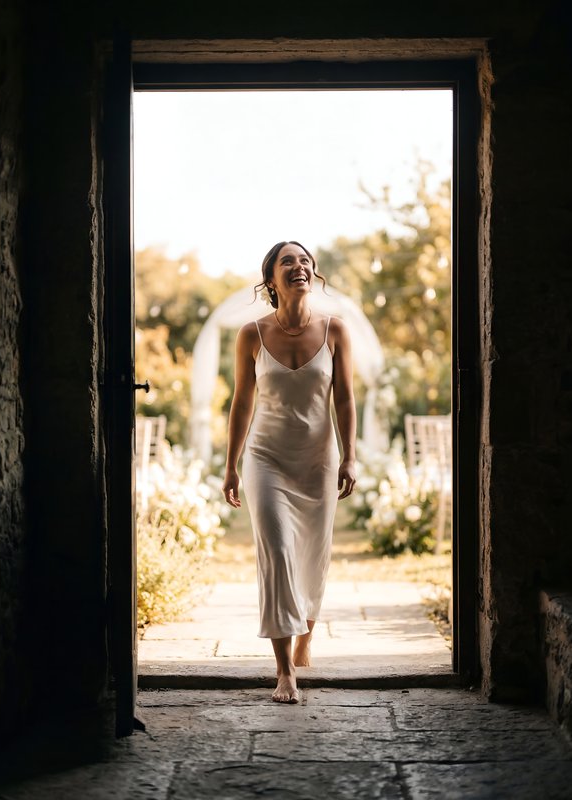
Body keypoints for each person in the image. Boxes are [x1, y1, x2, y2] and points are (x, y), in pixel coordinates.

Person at [222, 241, 357, 704]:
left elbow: (345, 399)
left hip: (318, 460)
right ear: (272, 280)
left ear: (313, 272)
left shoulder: (335, 329)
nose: (299, 267)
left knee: (313, 558)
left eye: (305, 261)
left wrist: (350, 456)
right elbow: (242, 402)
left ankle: (306, 635)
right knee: (277, 552)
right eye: (288, 262)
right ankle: (284, 673)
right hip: (266, 459)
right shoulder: (251, 334)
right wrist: (231, 464)